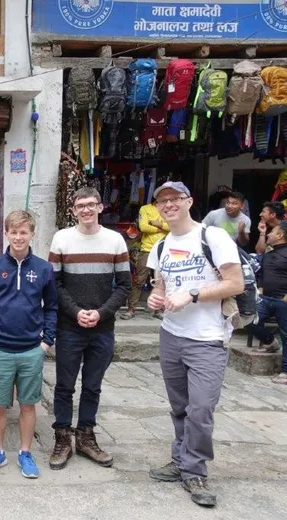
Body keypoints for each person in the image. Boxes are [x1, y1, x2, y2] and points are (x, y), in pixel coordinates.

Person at [146, 181, 244, 508]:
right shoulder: (159, 246)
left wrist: (191, 294)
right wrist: (155, 299)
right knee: (179, 406)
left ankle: (195, 469)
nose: (169, 205)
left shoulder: (212, 237)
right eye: (163, 200)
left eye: (175, 198)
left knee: (201, 408)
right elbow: (159, 288)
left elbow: (236, 283)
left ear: (189, 201)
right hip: (171, 334)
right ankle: (181, 460)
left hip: (207, 337)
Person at [47, 187, 131, 471]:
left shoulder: (115, 240)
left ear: (100, 207)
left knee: (93, 386)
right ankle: (62, 438)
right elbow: (54, 284)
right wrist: (75, 311)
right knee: (64, 386)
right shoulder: (62, 239)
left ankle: (85, 436)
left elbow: (124, 286)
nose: (86, 210)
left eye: (91, 204)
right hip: (69, 327)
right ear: (73, 210)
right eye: (80, 205)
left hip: (103, 327)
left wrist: (101, 313)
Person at [0, 210, 58, 478]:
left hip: (31, 350)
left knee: (28, 404)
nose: (19, 237)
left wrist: (46, 342)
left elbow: (52, 308)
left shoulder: (44, 269)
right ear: (6, 233)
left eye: (24, 232)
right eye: (14, 232)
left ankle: (25, 452)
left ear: (32, 234)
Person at [246, 221, 287, 380]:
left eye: (272, 231)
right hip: (265, 298)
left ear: (280, 235)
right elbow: (262, 273)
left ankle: (285, 372)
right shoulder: (269, 253)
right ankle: (270, 342)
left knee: (286, 335)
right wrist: (261, 288)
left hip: (283, 301)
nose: (268, 234)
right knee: (248, 319)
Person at [120, 197, 169, 320]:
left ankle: (159, 310)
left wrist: (158, 224)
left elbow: (173, 226)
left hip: (164, 249)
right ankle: (132, 309)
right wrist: (161, 228)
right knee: (139, 280)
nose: (165, 203)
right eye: (162, 200)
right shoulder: (145, 208)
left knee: (161, 281)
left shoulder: (168, 209)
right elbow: (143, 227)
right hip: (147, 249)